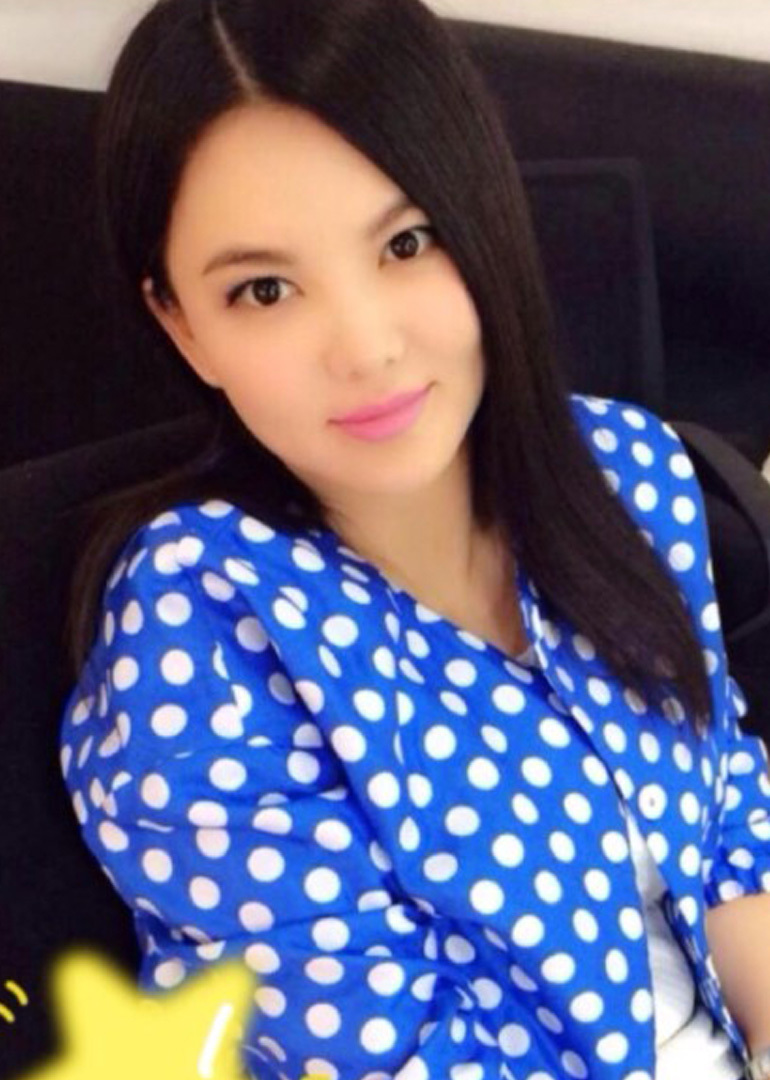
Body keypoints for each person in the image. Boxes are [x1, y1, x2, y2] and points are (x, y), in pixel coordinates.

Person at [59, 1, 770, 1078]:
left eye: (405, 243)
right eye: (264, 289)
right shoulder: (203, 622)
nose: (366, 347)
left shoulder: (625, 469)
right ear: (182, 324)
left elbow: (727, 837)